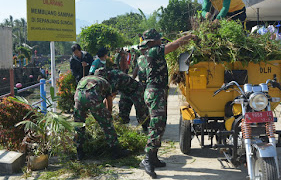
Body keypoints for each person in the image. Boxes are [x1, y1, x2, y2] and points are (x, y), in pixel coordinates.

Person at [139, 29, 197, 178]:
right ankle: (147, 159)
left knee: (161, 125)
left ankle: (153, 157)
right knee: (156, 126)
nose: (160, 41)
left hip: (158, 92)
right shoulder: (153, 51)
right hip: (155, 92)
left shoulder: (151, 51)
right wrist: (189, 37)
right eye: (158, 39)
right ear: (152, 41)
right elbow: (175, 45)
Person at [73, 73, 129, 160]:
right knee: (107, 124)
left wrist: (85, 108)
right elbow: (109, 101)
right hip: (93, 99)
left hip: (78, 98)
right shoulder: (105, 82)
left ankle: (79, 152)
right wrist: (108, 116)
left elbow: (81, 93)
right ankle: (115, 151)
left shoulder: (84, 78)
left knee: (79, 125)